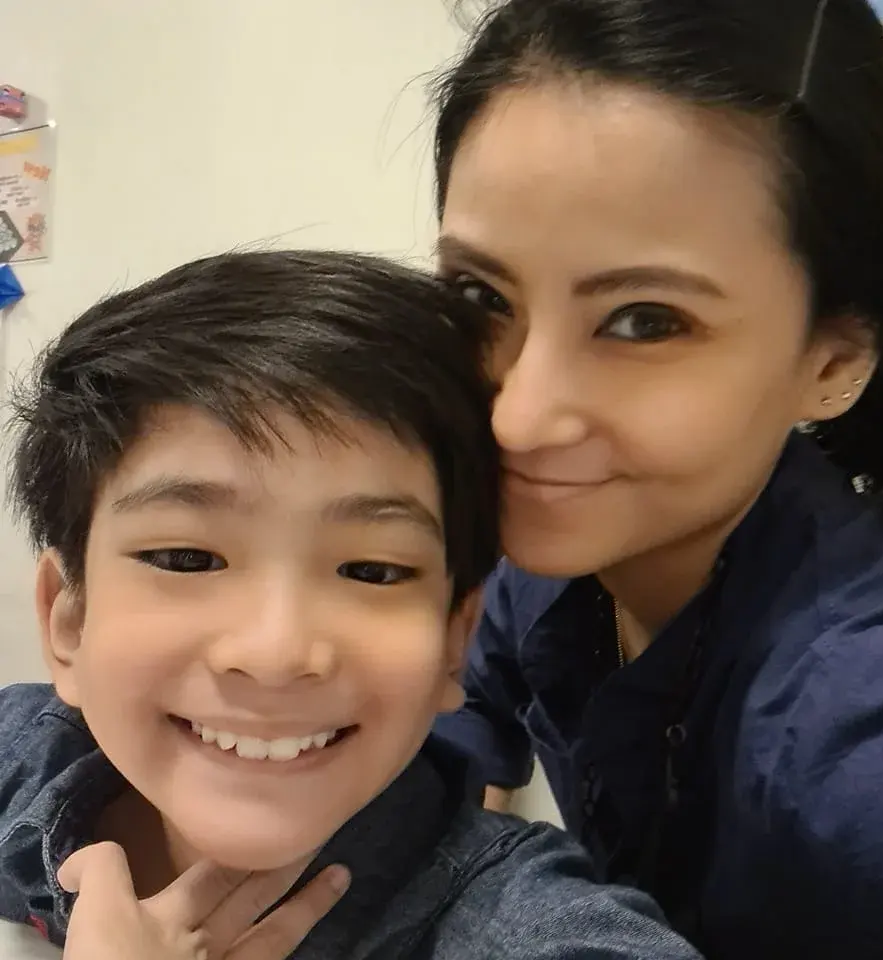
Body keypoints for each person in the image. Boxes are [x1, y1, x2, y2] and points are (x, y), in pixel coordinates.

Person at [429, 0, 883, 957]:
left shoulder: (880, 743)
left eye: (645, 321)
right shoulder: (550, 560)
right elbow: (439, 726)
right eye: (480, 295)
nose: (517, 418)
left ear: (835, 358)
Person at [0, 250, 700, 960]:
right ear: (69, 621)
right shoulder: (23, 753)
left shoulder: (527, 928)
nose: (275, 654)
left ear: (455, 641)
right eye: (187, 559)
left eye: (371, 570)